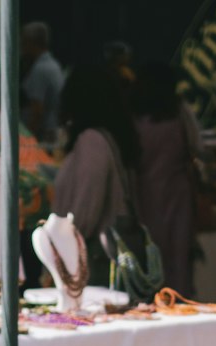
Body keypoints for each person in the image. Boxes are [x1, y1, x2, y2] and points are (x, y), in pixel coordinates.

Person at [52, 65, 140, 286]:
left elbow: (85, 212)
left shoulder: (92, 141)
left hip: (94, 264)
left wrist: (60, 253)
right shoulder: (108, 138)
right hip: (100, 259)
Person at [0, 87, 56, 289]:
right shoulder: (15, 122)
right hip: (44, 197)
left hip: (16, 199)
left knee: (16, 272)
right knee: (32, 266)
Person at [131, 61, 200, 296]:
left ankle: (155, 303)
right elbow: (197, 145)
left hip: (144, 195)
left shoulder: (134, 116)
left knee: (151, 257)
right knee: (179, 257)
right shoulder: (179, 112)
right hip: (178, 194)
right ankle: (180, 305)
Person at [20, 22, 65, 148]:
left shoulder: (41, 69)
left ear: (31, 42)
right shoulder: (53, 65)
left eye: (23, 42)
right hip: (50, 133)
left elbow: (37, 111)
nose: (21, 47)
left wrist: (26, 141)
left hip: (41, 138)